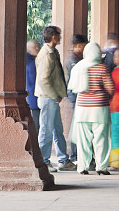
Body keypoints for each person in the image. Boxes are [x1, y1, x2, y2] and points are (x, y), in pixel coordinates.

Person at [67, 42, 115, 175]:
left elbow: (72, 87)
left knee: (83, 141)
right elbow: (110, 88)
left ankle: (82, 167)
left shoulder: (79, 67)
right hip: (100, 108)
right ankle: (101, 167)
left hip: (82, 108)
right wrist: (108, 96)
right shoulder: (102, 68)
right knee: (101, 139)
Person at [35, 25, 75, 173]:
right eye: (59, 34)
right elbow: (44, 79)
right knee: (46, 130)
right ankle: (44, 161)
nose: (60, 37)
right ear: (53, 36)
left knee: (58, 129)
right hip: (47, 97)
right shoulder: (46, 54)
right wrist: (55, 95)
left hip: (52, 97)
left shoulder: (52, 52)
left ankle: (63, 160)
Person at [65, 33, 89, 164]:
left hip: (79, 96)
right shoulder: (73, 60)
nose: (84, 48)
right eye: (83, 46)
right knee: (77, 126)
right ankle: (75, 155)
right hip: (76, 96)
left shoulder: (79, 58)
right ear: (77, 46)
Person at [26, 40, 41, 134]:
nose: (38, 49)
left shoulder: (36, 59)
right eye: (36, 47)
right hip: (31, 99)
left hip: (38, 97)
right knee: (36, 126)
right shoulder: (26, 60)